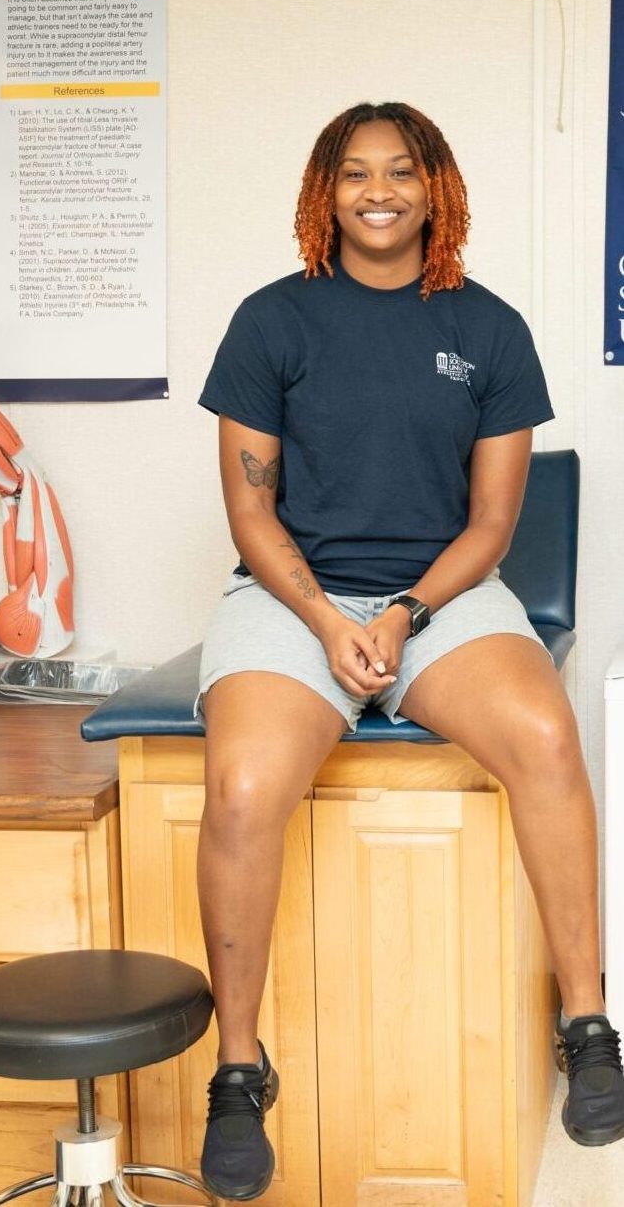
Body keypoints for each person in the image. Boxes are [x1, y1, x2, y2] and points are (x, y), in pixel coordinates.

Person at [194, 100, 624, 1202]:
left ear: (437, 188)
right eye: (353, 173)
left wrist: (399, 617)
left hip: (446, 593)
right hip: (293, 595)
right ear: (322, 192)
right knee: (241, 787)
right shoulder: (269, 322)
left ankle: (586, 1023)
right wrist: (332, 622)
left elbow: (490, 530)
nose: (377, 190)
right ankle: (239, 1070)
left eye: (401, 170)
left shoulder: (490, 330)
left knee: (545, 732)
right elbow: (252, 516)